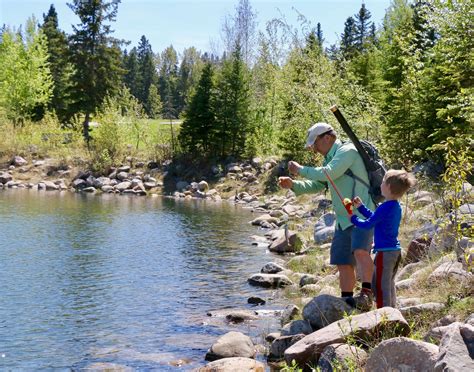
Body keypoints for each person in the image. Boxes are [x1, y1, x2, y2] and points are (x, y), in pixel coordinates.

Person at [278, 122, 375, 310]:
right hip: (343, 220)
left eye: (314, 144)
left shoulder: (348, 151)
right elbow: (320, 184)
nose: (313, 149)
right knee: (342, 260)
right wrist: (294, 185)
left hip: (361, 215)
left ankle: (367, 294)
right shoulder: (330, 158)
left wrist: (300, 169)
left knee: (361, 253)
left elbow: (329, 174)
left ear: (327, 138)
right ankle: (347, 301)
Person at [350, 169, 416, 309]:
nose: (380, 185)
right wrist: (361, 208)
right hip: (394, 252)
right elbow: (375, 217)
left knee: (380, 285)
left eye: (383, 182)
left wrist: (353, 219)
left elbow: (368, 224)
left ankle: (384, 315)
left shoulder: (385, 207)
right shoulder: (394, 206)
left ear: (389, 187)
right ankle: (392, 309)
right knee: (388, 284)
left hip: (385, 254)